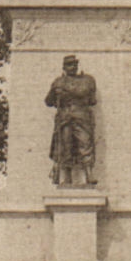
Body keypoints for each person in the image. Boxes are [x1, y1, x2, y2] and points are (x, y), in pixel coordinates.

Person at [46, 55, 98, 188]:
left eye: (74, 64)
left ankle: (89, 175)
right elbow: (48, 101)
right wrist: (55, 91)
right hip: (65, 117)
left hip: (82, 116)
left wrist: (65, 91)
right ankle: (66, 179)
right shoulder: (58, 82)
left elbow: (90, 98)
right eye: (69, 65)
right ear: (64, 67)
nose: (72, 67)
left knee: (85, 144)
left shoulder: (87, 80)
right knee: (65, 147)